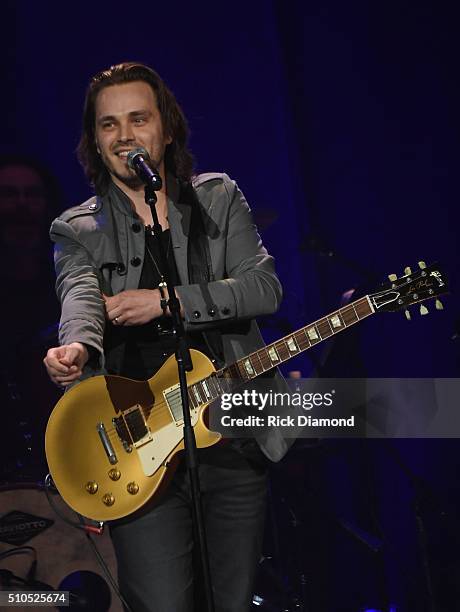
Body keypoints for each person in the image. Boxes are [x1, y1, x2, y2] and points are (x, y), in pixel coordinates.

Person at [43, 62, 288, 612]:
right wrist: (76, 345)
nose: (125, 135)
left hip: (229, 430)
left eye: (138, 119)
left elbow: (263, 288)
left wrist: (165, 300)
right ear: (94, 140)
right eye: (108, 125)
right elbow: (80, 296)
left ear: (166, 128)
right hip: (138, 442)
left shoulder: (217, 198)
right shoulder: (75, 228)